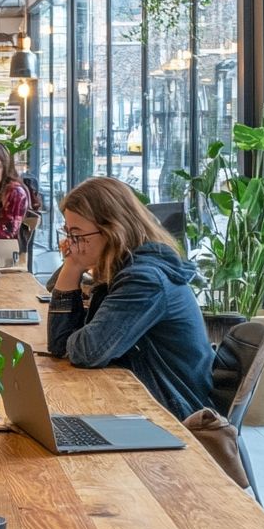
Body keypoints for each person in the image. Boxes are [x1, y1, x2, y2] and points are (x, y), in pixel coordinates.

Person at [47, 176, 214, 421]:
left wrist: (73, 266)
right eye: (68, 234)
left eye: (77, 235)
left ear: (112, 230)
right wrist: (73, 266)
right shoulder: (122, 268)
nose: (70, 244)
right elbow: (61, 345)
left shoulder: (144, 279)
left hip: (174, 410)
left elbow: (87, 351)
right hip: (148, 399)